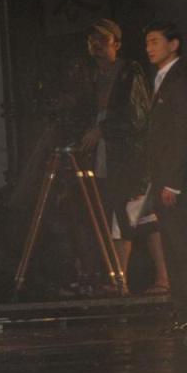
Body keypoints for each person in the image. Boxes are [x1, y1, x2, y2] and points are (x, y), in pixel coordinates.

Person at [76, 18, 170, 295]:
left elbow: (138, 117)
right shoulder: (92, 76)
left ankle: (151, 279)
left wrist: (102, 129)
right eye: (92, 41)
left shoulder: (130, 72)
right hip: (110, 153)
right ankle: (123, 280)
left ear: (116, 44)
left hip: (132, 156)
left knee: (140, 215)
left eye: (103, 40)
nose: (96, 46)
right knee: (126, 214)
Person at [144, 21, 187, 329]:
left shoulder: (180, 82)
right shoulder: (163, 80)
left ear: (173, 45)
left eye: (155, 42)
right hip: (165, 177)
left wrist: (173, 182)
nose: (149, 48)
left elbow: (184, 135)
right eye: (147, 43)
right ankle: (185, 309)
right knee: (174, 245)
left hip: (180, 181)